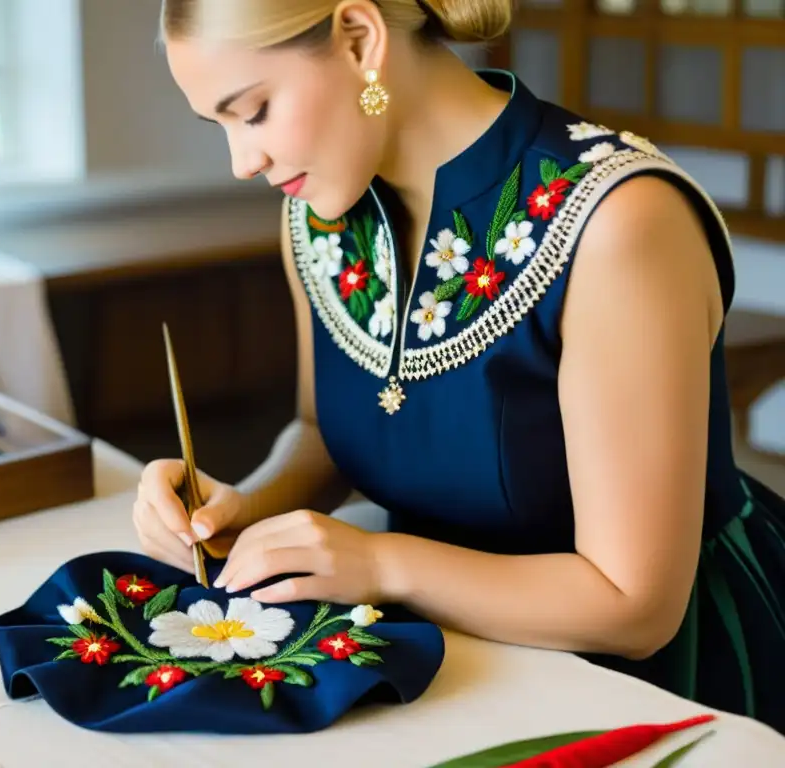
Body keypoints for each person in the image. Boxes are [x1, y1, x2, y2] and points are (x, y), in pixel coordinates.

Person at [132, 0, 785, 733]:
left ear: (358, 38)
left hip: (663, 683)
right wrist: (239, 512)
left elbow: (634, 608)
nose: (241, 162)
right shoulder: (317, 213)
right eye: (218, 125)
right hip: (440, 652)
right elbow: (326, 429)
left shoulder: (619, 224)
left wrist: (379, 565)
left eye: (251, 112)